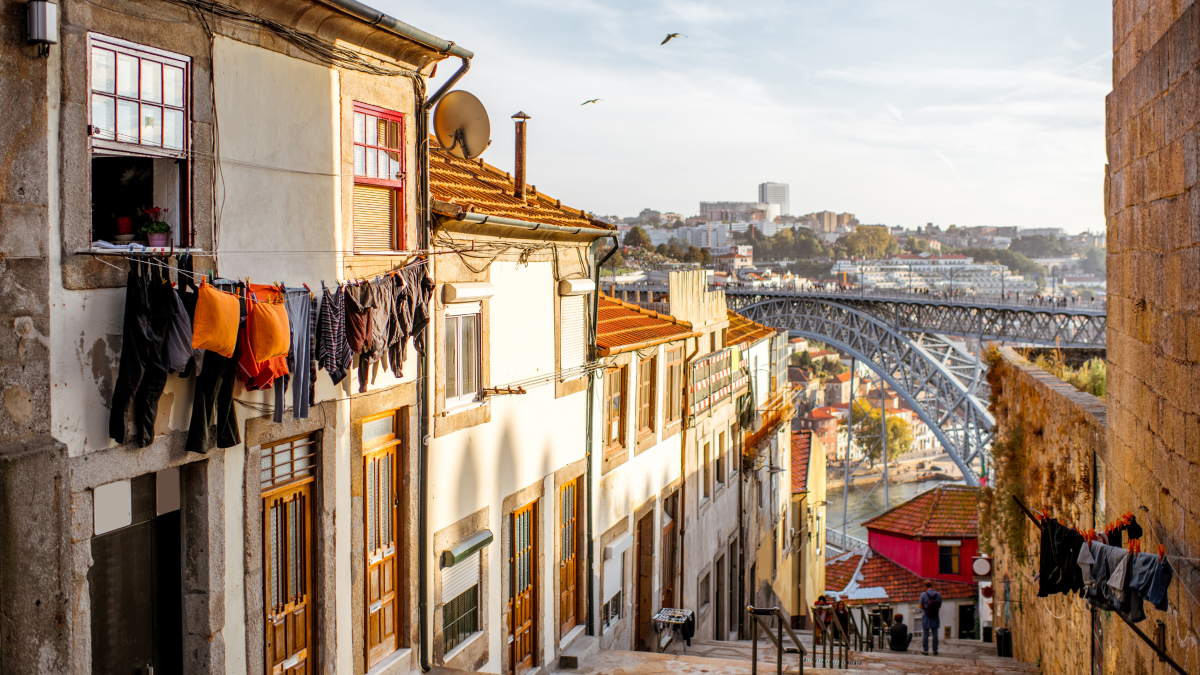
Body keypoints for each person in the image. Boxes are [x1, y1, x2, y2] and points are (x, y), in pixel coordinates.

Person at [919, 579, 942, 655]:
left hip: (926, 615)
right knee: (935, 633)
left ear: (925, 586)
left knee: (925, 633)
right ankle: (935, 650)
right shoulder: (938, 594)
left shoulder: (923, 595)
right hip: (935, 615)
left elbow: (921, 606)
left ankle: (926, 650)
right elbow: (939, 605)